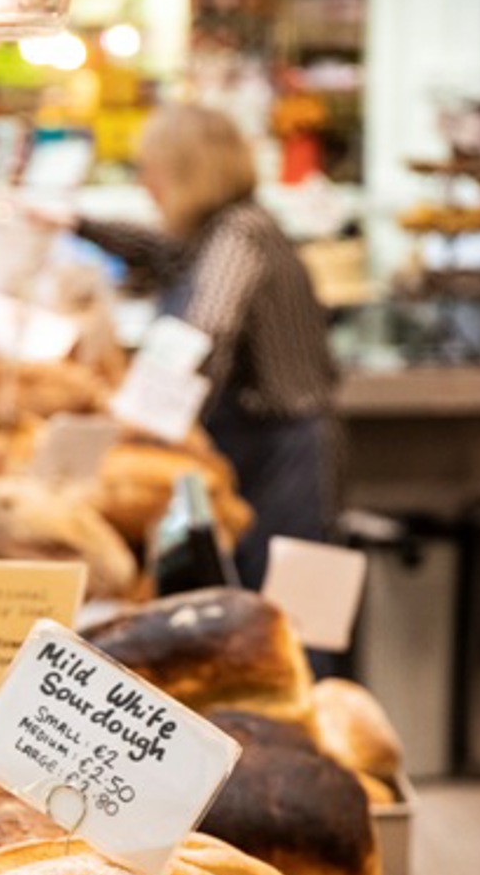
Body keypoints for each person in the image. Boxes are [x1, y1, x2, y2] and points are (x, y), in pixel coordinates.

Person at [48, 103, 339, 592]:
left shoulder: (240, 233)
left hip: (285, 451)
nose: (145, 186)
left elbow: (204, 331)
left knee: (290, 611)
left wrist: (140, 414)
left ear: (186, 173)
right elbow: (158, 251)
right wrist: (78, 224)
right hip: (255, 443)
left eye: (151, 171)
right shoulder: (217, 231)